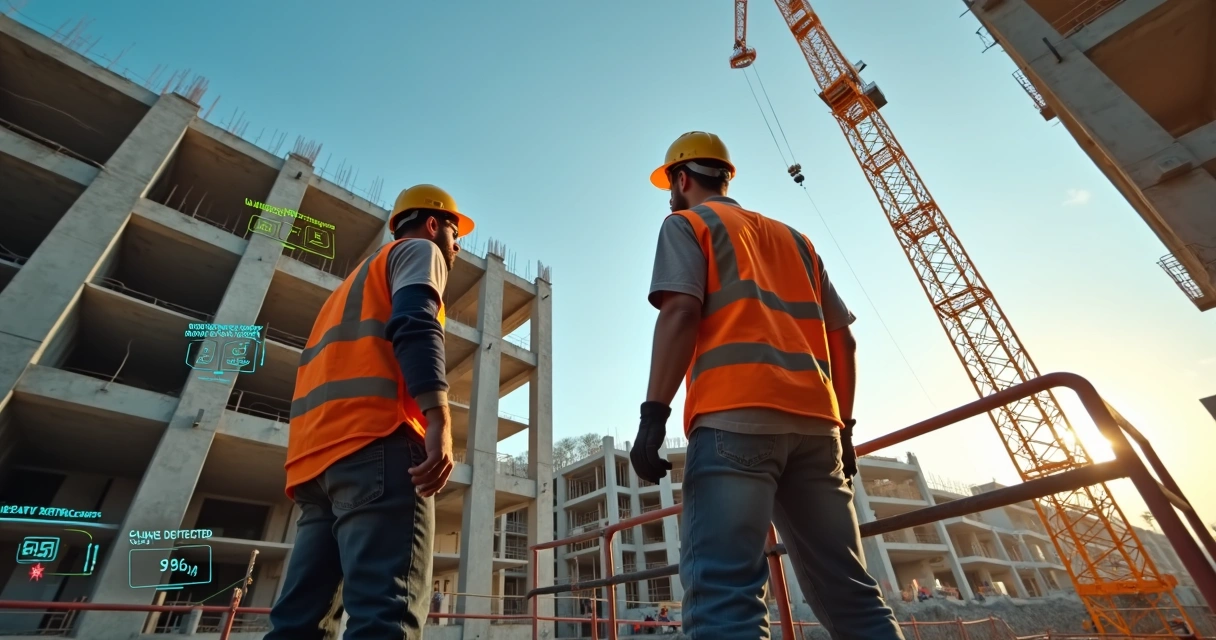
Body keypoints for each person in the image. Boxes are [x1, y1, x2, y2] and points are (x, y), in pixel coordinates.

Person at [629, 131, 906, 639]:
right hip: (818, 430)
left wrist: (653, 414)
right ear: (725, 176)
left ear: (682, 179)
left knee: (725, 598)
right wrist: (844, 429)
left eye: (670, 186)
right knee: (853, 595)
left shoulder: (686, 224)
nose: (670, 196)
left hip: (734, 421)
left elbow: (680, 311)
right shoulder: (797, 241)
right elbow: (843, 340)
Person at [265, 184, 473, 640]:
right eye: (456, 235)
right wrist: (438, 417)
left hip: (316, 464)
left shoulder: (348, 287)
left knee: (297, 623)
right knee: (385, 617)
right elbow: (415, 322)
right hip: (378, 445)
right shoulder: (420, 251)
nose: (457, 247)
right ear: (433, 224)